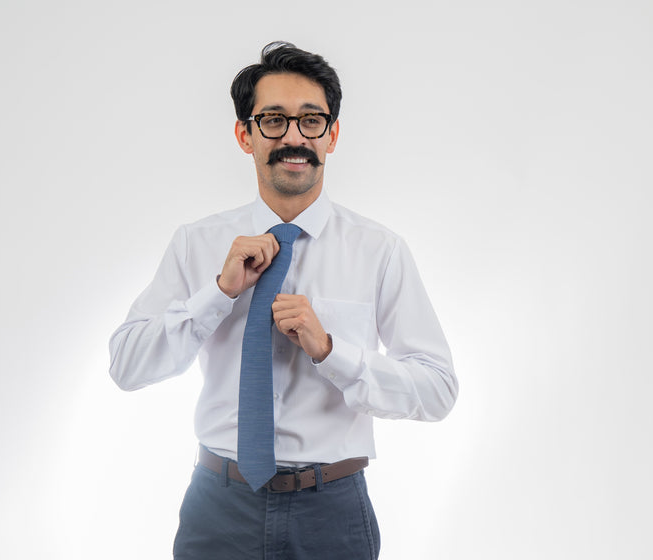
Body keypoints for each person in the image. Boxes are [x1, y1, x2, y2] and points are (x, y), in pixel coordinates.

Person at [108, 41, 458, 560]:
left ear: (332, 135)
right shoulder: (196, 243)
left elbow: (438, 389)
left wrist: (331, 350)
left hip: (332, 513)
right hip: (217, 509)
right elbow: (127, 365)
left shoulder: (380, 250)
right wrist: (218, 294)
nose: (293, 137)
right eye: (273, 119)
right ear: (244, 135)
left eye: (311, 121)